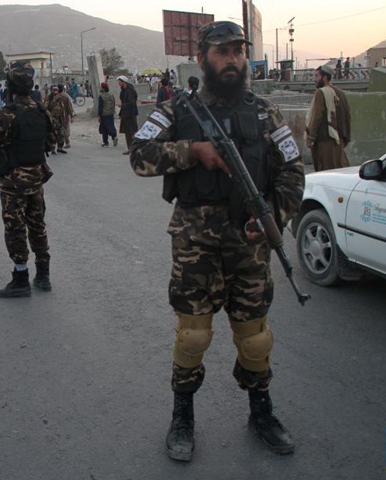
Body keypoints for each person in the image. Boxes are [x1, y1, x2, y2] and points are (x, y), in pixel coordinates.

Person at [129, 20, 304, 462]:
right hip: (195, 247)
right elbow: (139, 156)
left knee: (255, 338)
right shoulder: (178, 111)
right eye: (223, 51)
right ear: (204, 58)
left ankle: (261, 412)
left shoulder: (265, 112)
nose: (232, 59)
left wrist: (273, 217)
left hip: (249, 247)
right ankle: (182, 416)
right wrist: (192, 152)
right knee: (192, 336)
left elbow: (292, 173)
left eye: (238, 52)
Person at [0, 61, 57, 298]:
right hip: (37, 180)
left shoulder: (5, 115)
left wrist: (5, 163)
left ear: (10, 86)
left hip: (13, 183)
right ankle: (43, 275)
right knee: (38, 225)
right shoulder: (42, 110)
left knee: (15, 229)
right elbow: (51, 143)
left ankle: (21, 278)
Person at [305, 64, 351, 171]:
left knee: (325, 173)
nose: (315, 80)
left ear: (325, 77)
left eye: (317, 76)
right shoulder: (341, 93)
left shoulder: (321, 92)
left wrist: (310, 137)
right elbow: (347, 116)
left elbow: (316, 116)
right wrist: (346, 137)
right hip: (338, 141)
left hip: (324, 142)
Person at [117, 75, 139, 155]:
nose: (118, 83)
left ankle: (133, 149)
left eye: (120, 81)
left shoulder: (129, 91)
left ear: (123, 82)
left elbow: (132, 103)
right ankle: (131, 148)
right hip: (126, 114)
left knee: (131, 133)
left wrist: (122, 105)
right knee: (128, 133)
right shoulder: (124, 90)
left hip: (130, 114)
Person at [45, 86, 67, 154]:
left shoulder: (60, 97)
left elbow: (62, 107)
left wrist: (63, 117)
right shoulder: (49, 98)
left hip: (59, 119)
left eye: (56, 90)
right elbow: (46, 108)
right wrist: (54, 100)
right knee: (53, 135)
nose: (55, 92)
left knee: (61, 133)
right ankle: (52, 149)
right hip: (52, 119)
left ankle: (60, 148)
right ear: (51, 90)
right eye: (54, 90)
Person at [97, 82, 118, 147]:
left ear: (103, 88)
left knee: (104, 128)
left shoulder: (101, 96)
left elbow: (100, 107)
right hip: (111, 113)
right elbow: (114, 104)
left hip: (104, 114)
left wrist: (99, 115)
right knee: (111, 125)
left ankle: (106, 142)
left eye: (101, 87)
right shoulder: (111, 95)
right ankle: (113, 137)